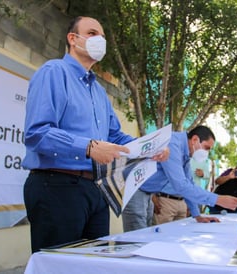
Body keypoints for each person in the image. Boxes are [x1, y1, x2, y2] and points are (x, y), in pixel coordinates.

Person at [22, 16, 169, 253]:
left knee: (94, 263)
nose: (99, 40)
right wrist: (88, 147)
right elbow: (37, 134)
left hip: (97, 190)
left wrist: (149, 147)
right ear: (73, 38)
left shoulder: (99, 92)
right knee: (60, 267)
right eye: (92, 33)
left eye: (102, 36)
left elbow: (116, 136)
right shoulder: (54, 72)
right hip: (57, 187)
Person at [122, 125, 237, 231]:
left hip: (147, 191)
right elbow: (181, 185)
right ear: (195, 140)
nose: (207, 153)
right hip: (135, 187)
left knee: (144, 235)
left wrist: (197, 215)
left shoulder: (184, 153)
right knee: (135, 238)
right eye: (206, 148)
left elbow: (189, 183)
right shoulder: (173, 144)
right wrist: (217, 199)